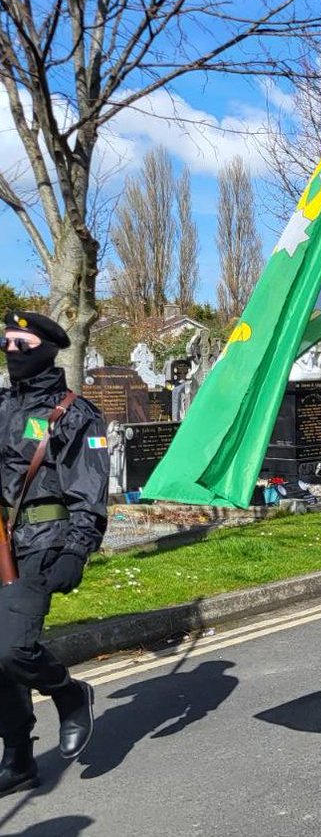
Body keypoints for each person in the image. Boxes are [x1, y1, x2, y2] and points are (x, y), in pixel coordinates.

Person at [0, 311, 108, 797]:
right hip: (2, 539)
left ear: (46, 349)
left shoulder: (75, 413)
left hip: (43, 541)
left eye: (21, 344)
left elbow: (90, 489)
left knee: (11, 648)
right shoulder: (2, 405)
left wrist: (77, 550)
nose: (11, 351)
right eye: (5, 343)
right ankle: (18, 758)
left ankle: (68, 693)